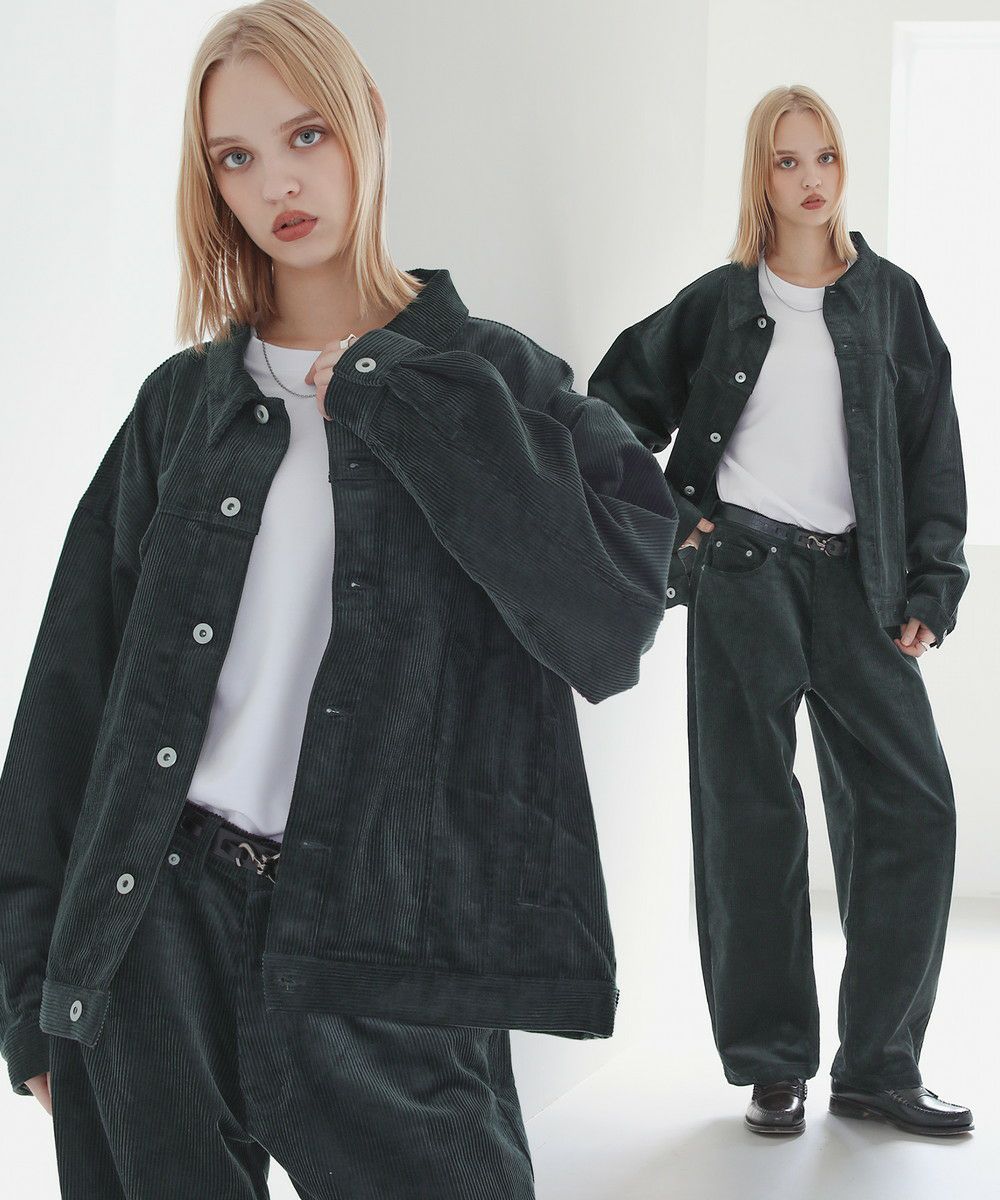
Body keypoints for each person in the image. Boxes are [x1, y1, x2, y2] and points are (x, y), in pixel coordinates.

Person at [0, 2, 679, 1194]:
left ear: (368, 121)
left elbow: (613, 620)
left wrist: (401, 396)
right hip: (150, 937)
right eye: (236, 157)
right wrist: (30, 994)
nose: (277, 182)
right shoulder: (182, 408)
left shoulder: (498, 382)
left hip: (384, 951)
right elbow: (68, 697)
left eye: (305, 134)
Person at [588, 84, 973, 1138]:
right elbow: (609, 410)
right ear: (761, 175)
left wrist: (932, 585)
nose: (810, 180)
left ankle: (880, 1065)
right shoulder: (720, 302)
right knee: (751, 821)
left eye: (825, 157)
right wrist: (681, 530)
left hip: (861, 587)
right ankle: (772, 1066)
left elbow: (932, 450)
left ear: (844, 167)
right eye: (787, 160)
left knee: (912, 809)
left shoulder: (891, 301)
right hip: (744, 579)